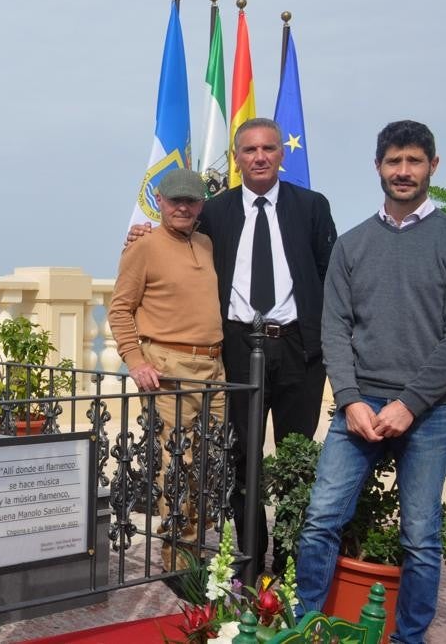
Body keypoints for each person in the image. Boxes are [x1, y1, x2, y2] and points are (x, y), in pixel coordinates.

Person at [129, 117, 336, 572]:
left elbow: (330, 276)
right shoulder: (216, 212)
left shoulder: (312, 206)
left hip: (299, 350)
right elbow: (176, 238)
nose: (259, 157)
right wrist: (141, 234)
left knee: (297, 458)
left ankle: (287, 562)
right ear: (238, 159)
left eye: (268, 148)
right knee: (242, 459)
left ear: (282, 154)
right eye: (249, 150)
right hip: (238, 350)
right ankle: (248, 558)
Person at [297, 120, 446, 643]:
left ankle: (408, 638)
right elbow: (335, 328)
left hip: (429, 409)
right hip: (360, 404)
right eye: (394, 161)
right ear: (378, 167)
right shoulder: (352, 245)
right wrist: (349, 401)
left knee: (420, 537)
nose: (403, 171)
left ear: (433, 167)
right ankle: (307, 626)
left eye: (414, 161)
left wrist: (410, 403)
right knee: (321, 518)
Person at [109, 169, 226, 571]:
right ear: (159, 200)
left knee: (211, 461)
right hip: (169, 366)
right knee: (178, 464)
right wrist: (136, 361)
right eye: (175, 199)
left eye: (190, 200)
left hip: (214, 365)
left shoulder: (207, 243)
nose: (182, 206)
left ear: (200, 205)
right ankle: (178, 559)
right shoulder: (143, 246)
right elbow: (120, 309)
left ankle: (197, 545)